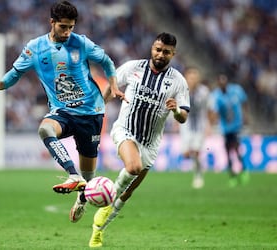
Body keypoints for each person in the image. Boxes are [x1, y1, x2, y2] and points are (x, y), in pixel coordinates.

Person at [0, 0, 126, 223]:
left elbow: (106, 61)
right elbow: (16, 72)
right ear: (51, 22)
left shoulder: (80, 43)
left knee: (90, 177)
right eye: (63, 26)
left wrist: (113, 85)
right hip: (62, 111)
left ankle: (82, 197)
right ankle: (72, 175)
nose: (68, 32)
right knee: (45, 130)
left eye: (71, 27)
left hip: (91, 112)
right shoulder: (35, 48)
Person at [89, 32, 190, 248]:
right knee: (133, 167)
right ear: (152, 48)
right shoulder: (133, 67)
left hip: (151, 144)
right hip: (125, 130)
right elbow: (111, 86)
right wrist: (98, 109)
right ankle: (106, 204)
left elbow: (183, 117)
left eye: (166, 52)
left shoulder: (178, 81)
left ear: (173, 54)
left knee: (128, 192)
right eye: (158, 49)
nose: (160, 54)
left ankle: (98, 231)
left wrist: (176, 110)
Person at [210, 74, 249, 187]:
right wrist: (213, 121)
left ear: (227, 82)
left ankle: (243, 170)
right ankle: (232, 175)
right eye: (220, 83)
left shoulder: (236, 90)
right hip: (225, 128)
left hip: (237, 125)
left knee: (236, 148)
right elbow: (214, 111)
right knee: (227, 151)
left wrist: (246, 116)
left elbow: (244, 102)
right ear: (218, 84)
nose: (223, 85)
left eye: (224, 82)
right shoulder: (216, 96)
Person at [179, 67, 211, 189]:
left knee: (197, 151)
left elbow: (209, 109)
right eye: (190, 77)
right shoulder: (181, 90)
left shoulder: (204, 91)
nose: (193, 79)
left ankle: (198, 175)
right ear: (186, 78)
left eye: (195, 76)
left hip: (200, 126)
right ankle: (197, 167)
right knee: (186, 154)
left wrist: (209, 126)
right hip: (185, 126)